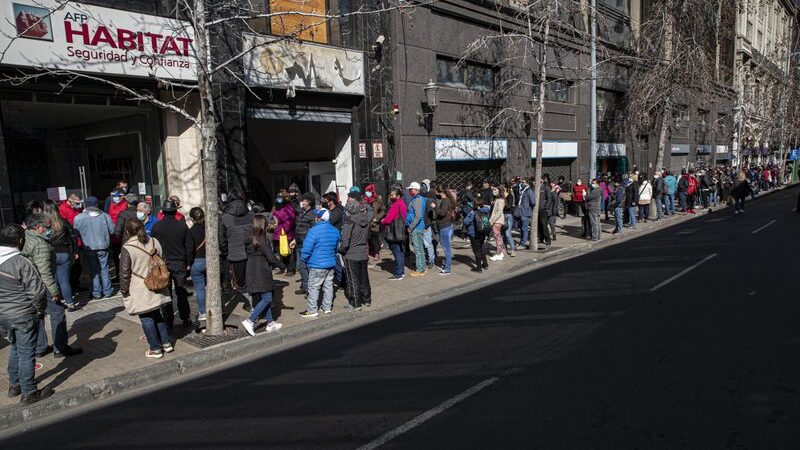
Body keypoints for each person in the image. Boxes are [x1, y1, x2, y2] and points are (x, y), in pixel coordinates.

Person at [0, 223, 51, 404]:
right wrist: (40, 310)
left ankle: (14, 385)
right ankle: (29, 391)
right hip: (23, 314)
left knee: (15, 348)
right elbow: (37, 292)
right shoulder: (22, 262)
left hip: (3, 316)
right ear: (20, 240)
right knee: (26, 353)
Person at [23, 213, 81, 359]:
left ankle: (40, 347)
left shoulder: (26, 237)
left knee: (38, 313)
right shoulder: (40, 244)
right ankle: (60, 348)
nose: (49, 229)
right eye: (46, 226)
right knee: (57, 312)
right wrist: (55, 291)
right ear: (38, 227)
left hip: (29, 285)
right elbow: (45, 272)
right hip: (42, 285)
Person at [119, 219, 173, 359]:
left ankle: (155, 348)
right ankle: (166, 343)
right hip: (157, 284)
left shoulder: (127, 248)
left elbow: (124, 273)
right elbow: (164, 260)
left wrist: (124, 291)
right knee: (157, 314)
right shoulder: (155, 241)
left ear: (127, 231)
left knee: (146, 318)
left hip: (140, 287)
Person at [150, 199, 193, 328]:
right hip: (179, 262)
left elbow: (153, 247)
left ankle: (168, 320)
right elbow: (189, 246)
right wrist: (188, 262)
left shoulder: (156, 227)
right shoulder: (182, 225)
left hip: (163, 264)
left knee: (166, 294)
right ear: (175, 211)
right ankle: (185, 318)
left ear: (162, 211)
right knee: (181, 292)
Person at [241, 214, 285, 334]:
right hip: (262, 271)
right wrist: (282, 266)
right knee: (267, 298)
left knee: (264, 297)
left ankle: (270, 323)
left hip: (251, 269)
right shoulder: (262, 238)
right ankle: (250, 321)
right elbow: (271, 258)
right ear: (262, 224)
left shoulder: (250, 236)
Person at [299, 209, 340, 317]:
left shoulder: (313, 231)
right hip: (330, 263)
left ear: (319, 218)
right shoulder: (335, 230)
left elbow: (307, 249)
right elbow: (336, 248)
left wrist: (304, 259)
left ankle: (312, 310)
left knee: (313, 287)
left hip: (317, 264)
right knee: (328, 286)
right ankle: (327, 307)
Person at [73, 196, 115, 299]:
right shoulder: (105, 216)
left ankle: (96, 292)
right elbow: (112, 230)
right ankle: (107, 291)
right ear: (97, 205)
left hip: (89, 247)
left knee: (94, 270)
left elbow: (75, 232)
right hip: (103, 246)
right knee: (104, 268)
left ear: (85, 205)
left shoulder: (79, 218)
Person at [43, 200, 79, 311]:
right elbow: (73, 237)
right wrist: (75, 252)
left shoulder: (43, 225)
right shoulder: (63, 222)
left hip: (50, 254)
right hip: (64, 253)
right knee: (64, 281)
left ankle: (57, 303)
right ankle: (70, 303)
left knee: (53, 280)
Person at [219, 192, 254, 303]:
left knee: (240, 284)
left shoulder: (224, 218)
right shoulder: (251, 215)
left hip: (235, 255)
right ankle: (256, 304)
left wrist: (225, 253)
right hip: (252, 252)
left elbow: (222, 238)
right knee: (253, 280)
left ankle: (254, 305)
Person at [340, 192, 371, 309]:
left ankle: (355, 303)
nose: (347, 200)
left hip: (351, 253)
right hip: (363, 251)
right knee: (364, 277)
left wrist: (341, 250)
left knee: (353, 279)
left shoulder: (349, 220)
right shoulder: (365, 217)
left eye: (349, 199)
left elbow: (345, 239)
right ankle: (366, 299)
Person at [293, 192, 317, 296]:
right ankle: (304, 286)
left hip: (306, 244)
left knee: (305, 267)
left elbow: (313, 231)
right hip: (299, 242)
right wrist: (295, 239)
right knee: (301, 267)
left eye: (304, 200)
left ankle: (308, 288)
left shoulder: (312, 214)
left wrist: (308, 243)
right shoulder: (302, 212)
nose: (302, 202)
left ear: (309, 202)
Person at [381, 188, 408, 280]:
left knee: (397, 253)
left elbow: (389, 219)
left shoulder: (395, 205)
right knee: (400, 252)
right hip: (401, 232)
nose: (391, 197)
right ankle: (402, 272)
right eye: (390, 195)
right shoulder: (403, 204)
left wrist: (383, 221)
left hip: (394, 233)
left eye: (393, 195)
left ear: (398, 196)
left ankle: (398, 274)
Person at [188, 207, 207, 321]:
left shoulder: (190, 231)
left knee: (199, 289)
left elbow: (189, 249)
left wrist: (189, 262)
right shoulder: (209, 229)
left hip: (196, 261)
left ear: (191, 219)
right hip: (210, 261)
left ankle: (203, 312)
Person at [405, 182, 428, 277]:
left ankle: (420, 270)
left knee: (418, 249)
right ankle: (422, 267)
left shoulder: (417, 200)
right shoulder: (417, 199)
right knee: (419, 249)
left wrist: (410, 227)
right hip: (418, 227)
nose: (409, 191)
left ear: (416, 190)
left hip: (416, 227)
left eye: (411, 189)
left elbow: (418, 216)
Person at [432, 185, 456, 273]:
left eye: (437, 192)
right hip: (446, 226)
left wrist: (434, 207)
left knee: (446, 248)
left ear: (441, 192)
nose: (436, 194)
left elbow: (441, 213)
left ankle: (447, 268)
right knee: (446, 247)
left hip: (444, 226)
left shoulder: (445, 201)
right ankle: (447, 264)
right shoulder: (447, 200)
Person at [463, 199, 490, 272]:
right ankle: (485, 264)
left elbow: (466, 222)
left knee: (477, 251)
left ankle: (479, 268)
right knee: (482, 248)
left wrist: (470, 213)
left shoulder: (473, 213)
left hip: (474, 234)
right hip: (483, 232)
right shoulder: (485, 211)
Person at [273, 193, 296, 276]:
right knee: (282, 252)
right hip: (280, 233)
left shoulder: (286, 209)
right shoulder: (282, 208)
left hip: (285, 234)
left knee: (288, 252)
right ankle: (284, 268)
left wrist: (284, 230)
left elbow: (289, 222)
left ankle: (290, 269)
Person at [364, 184, 386, 268]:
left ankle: (377, 253)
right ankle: (367, 254)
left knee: (374, 239)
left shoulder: (377, 200)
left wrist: (377, 218)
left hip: (374, 223)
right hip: (365, 223)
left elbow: (383, 210)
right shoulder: (363, 200)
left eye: (369, 192)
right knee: (366, 239)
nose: (368, 193)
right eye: (366, 191)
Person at [517, 179, 536, 249]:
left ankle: (523, 244)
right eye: (521, 182)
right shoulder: (523, 191)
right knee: (522, 229)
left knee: (524, 228)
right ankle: (521, 242)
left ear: (527, 183)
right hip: (521, 212)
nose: (522, 183)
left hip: (526, 212)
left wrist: (527, 207)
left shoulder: (529, 191)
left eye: (523, 182)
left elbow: (533, 202)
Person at [489, 186, 506, 261]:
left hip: (497, 221)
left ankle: (499, 253)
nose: (494, 190)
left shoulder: (500, 200)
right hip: (497, 221)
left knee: (497, 238)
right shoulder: (499, 199)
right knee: (498, 238)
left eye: (496, 189)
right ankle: (500, 253)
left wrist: (493, 220)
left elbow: (499, 211)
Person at [501, 183, 517, 257]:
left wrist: (502, 206)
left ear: (506, 188)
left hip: (508, 215)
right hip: (501, 216)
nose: (503, 189)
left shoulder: (509, 196)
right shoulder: (500, 195)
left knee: (508, 233)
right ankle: (504, 248)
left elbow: (509, 206)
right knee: (503, 234)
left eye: (504, 187)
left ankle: (513, 249)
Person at [538, 178, 554, 247]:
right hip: (537, 210)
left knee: (544, 225)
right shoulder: (535, 188)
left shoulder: (546, 188)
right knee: (539, 226)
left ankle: (548, 240)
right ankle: (541, 238)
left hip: (543, 209)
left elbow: (549, 198)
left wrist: (546, 208)